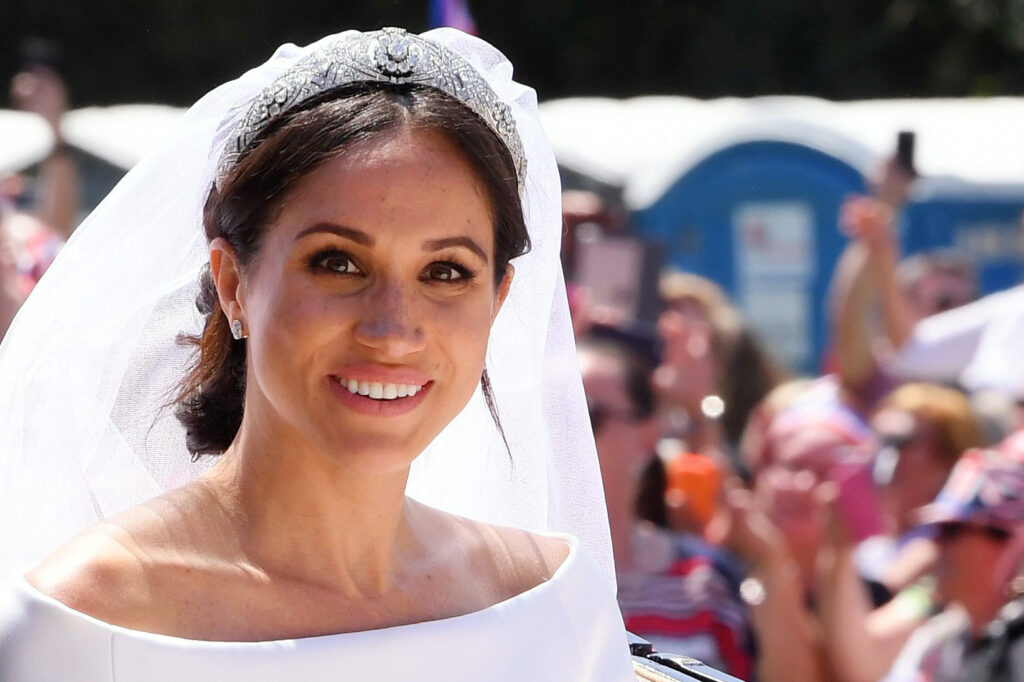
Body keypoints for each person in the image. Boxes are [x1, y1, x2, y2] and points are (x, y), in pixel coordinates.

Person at [0, 28, 635, 681]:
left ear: (498, 301)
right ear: (233, 282)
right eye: (338, 263)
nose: (393, 330)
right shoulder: (83, 625)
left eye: (445, 272)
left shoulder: (558, 609)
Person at [578, 336, 753, 679]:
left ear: (647, 437)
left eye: (585, 414)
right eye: (546, 412)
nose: (560, 432)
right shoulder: (500, 580)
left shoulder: (706, 583)